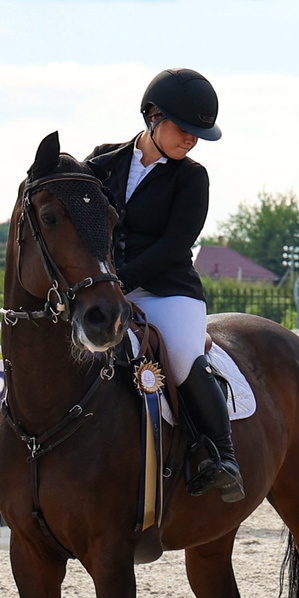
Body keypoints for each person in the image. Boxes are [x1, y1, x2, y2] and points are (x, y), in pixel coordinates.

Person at [85, 68, 243, 502]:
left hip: (167, 290)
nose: (191, 139)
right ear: (152, 117)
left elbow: (175, 246)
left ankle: (221, 454)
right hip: (102, 286)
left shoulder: (192, 177)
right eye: (184, 128)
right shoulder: (102, 162)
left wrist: (121, 280)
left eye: (199, 133)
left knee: (180, 352)